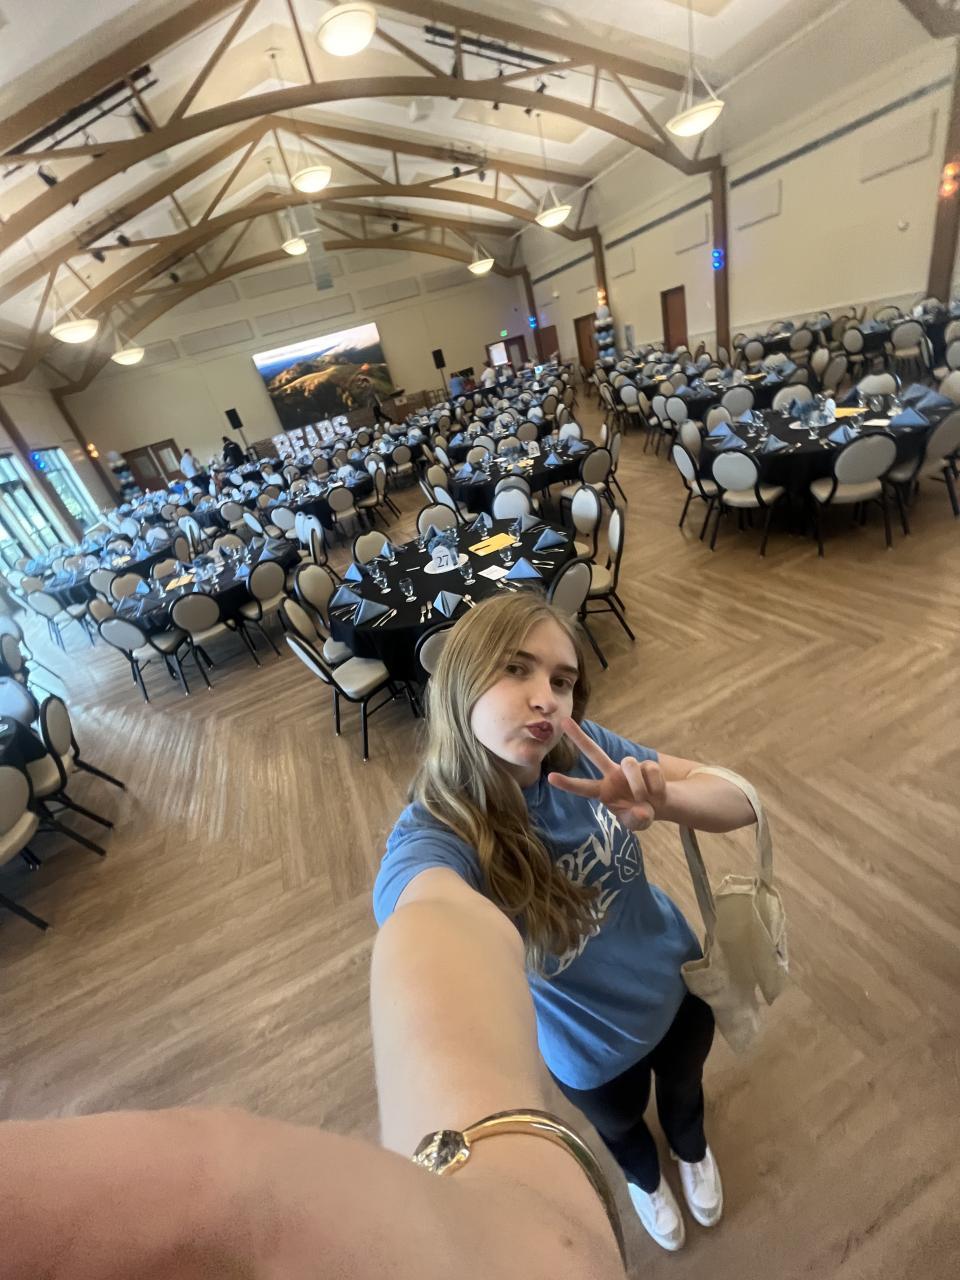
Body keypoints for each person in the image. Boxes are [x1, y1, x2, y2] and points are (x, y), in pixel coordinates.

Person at [374, 594, 756, 1254]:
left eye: (562, 681)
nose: (546, 699)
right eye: (516, 669)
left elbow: (740, 800)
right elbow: (425, 924)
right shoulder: (439, 833)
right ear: (462, 677)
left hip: (680, 988)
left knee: (685, 1095)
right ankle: (646, 1181)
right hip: (588, 1049)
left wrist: (665, 798)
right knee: (623, 1133)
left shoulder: (585, 754)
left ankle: (691, 1149)